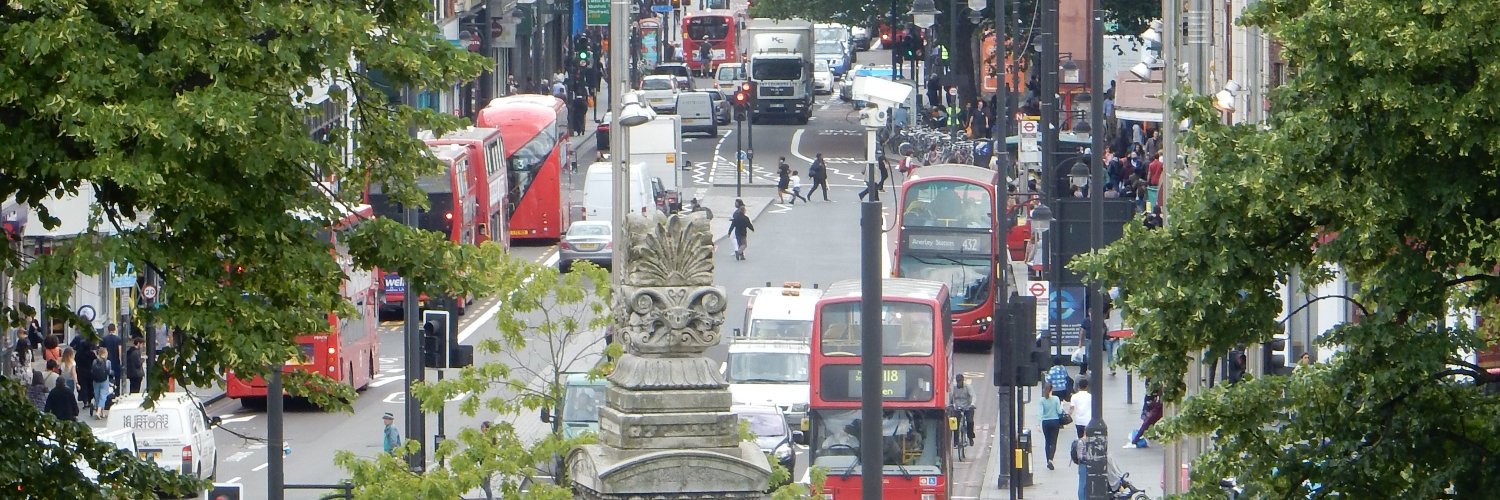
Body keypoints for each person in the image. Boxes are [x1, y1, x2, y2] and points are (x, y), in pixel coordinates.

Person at [1039, 382, 1064, 469]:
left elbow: (1040, 413)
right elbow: (1059, 411)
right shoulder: (1056, 399)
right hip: (1055, 421)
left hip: (1045, 422)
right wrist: (1062, 406)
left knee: (1047, 441)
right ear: (1051, 390)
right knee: (1053, 441)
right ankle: (1051, 459)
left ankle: (1047, 460)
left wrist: (1038, 424)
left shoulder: (1042, 400)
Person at [950, 374, 975, 444]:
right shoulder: (953, 388)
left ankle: (970, 437)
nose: (959, 383)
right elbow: (951, 398)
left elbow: (973, 396)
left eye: (960, 381)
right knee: (954, 422)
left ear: (963, 381)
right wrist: (951, 405)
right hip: (957, 407)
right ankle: (956, 441)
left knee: (970, 421)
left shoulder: (968, 387)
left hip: (968, 407)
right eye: (958, 381)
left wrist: (972, 404)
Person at [90, 347, 112, 419]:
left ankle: (101, 412)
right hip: (104, 380)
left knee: (97, 395)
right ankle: (99, 412)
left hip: (95, 381)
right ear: (105, 353)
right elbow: (109, 372)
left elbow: (92, 371)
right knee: (103, 396)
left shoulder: (94, 361)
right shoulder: (108, 362)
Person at [100, 323, 124, 387]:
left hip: (107, 361)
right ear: (115, 330)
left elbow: (102, 351)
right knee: (117, 378)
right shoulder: (118, 339)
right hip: (116, 361)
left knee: (108, 379)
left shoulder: (104, 339)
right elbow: (120, 351)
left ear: (108, 330)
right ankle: (117, 392)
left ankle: (110, 392)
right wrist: (120, 361)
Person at [1070, 425, 1088, 500]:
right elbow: (1080, 456)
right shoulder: (1081, 441)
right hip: (1083, 465)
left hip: (1085, 464)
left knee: (1084, 484)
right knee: (1083, 484)